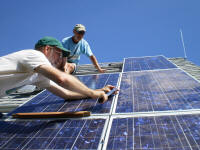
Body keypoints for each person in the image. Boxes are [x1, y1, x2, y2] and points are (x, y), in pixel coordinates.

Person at [0, 36, 117, 103]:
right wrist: (92, 93)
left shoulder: (39, 76)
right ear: (47, 49)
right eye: (59, 54)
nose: (61, 59)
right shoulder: (34, 55)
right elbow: (62, 79)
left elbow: (66, 94)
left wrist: (98, 91)